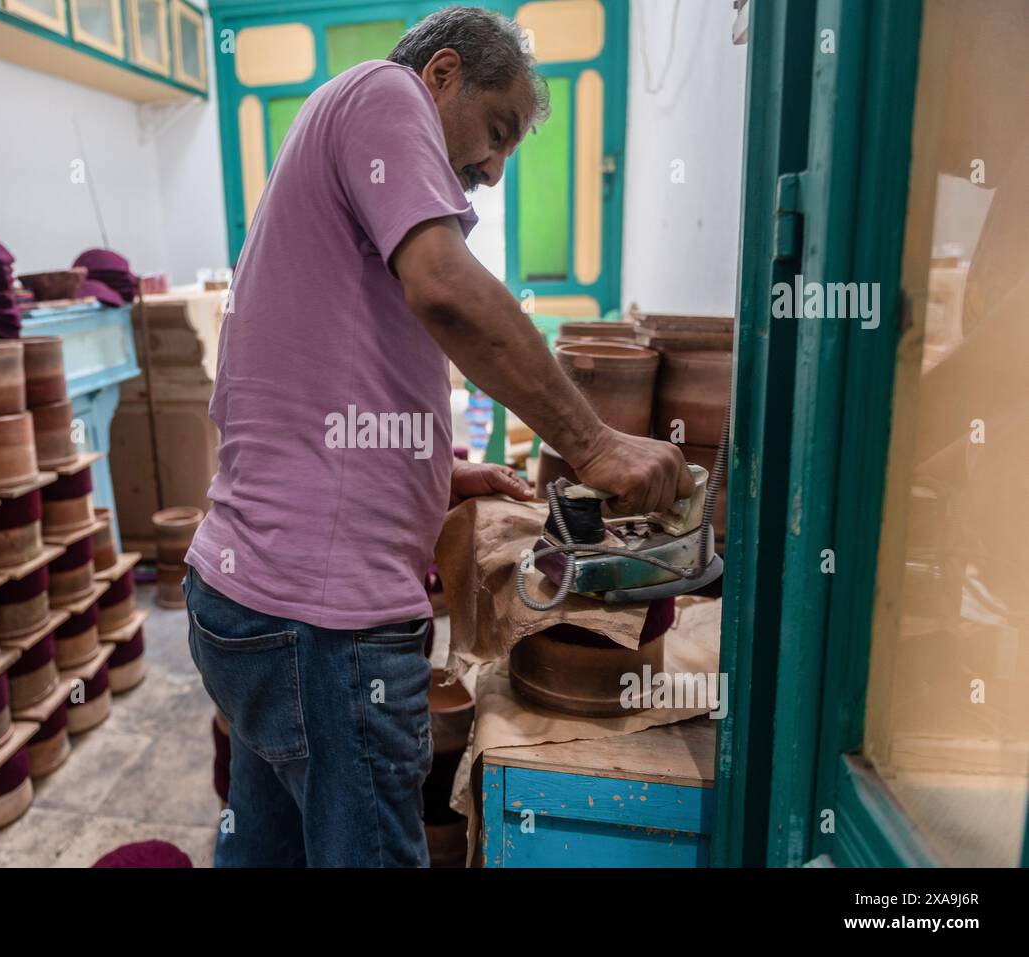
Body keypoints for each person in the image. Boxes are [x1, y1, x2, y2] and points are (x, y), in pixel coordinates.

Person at [183, 6, 691, 867]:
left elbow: (306, 388)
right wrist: (596, 444)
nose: (492, 169)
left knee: (264, 850)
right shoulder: (386, 92)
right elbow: (446, 289)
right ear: (443, 73)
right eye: (496, 132)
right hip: (323, 628)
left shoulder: (327, 141)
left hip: (247, 603)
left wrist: (437, 474)